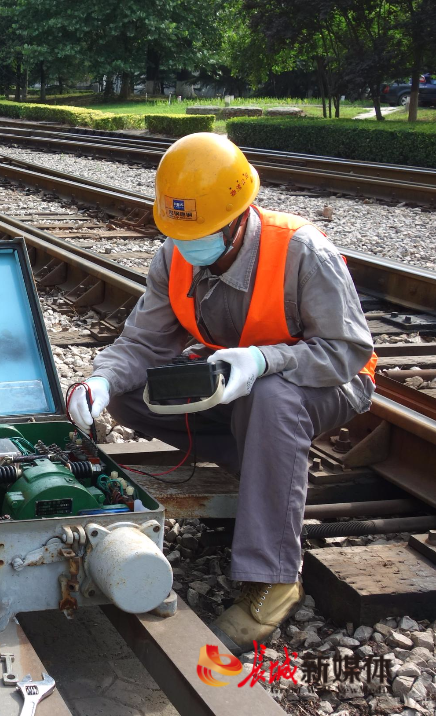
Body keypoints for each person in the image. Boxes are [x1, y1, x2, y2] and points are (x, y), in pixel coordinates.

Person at [67, 133, 376, 653]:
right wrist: (99, 381)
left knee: (271, 399)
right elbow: (143, 342)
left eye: (203, 232)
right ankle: (268, 463)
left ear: (238, 217)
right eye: (180, 232)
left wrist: (263, 360)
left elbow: (346, 350)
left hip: (327, 381)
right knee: (129, 392)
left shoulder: (302, 251)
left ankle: (275, 578)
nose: (190, 244)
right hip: (239, 381)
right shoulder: (176, 255)